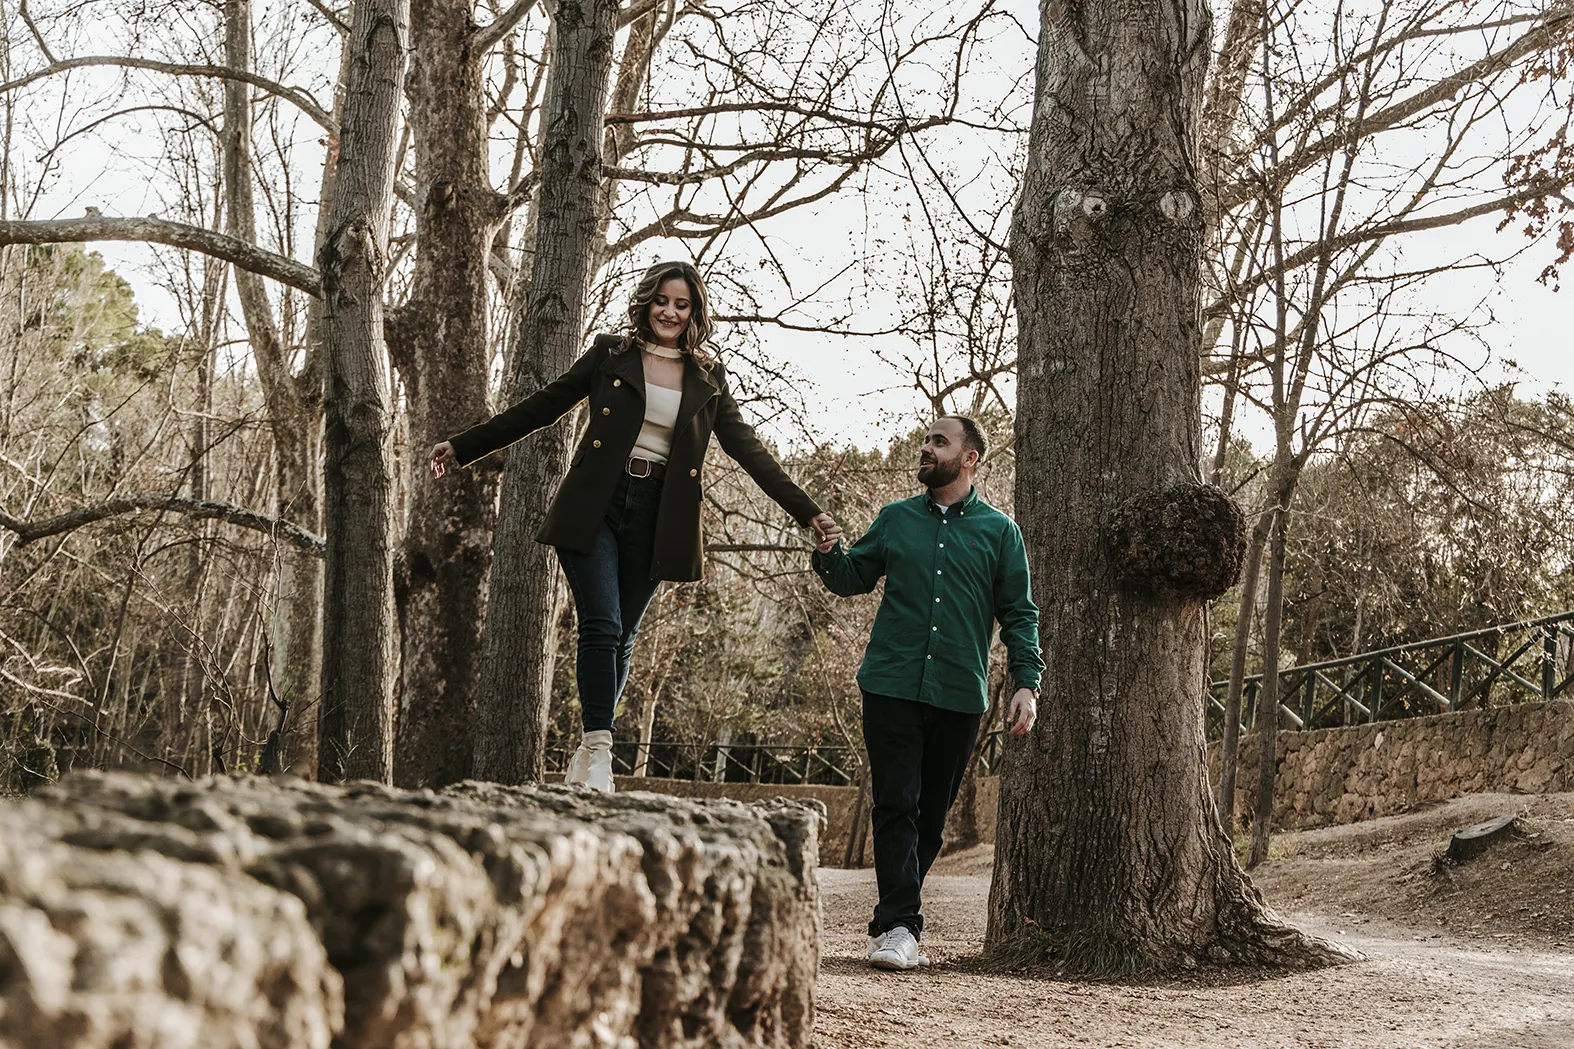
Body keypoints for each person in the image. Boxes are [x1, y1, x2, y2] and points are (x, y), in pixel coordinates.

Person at [430, 260, 838, 791]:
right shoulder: (612, 355)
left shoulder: (708, 377)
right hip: (597, 501)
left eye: (682, 304)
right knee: (601, 624)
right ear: (647, 303)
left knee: (621, 638)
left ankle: (586, 749)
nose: (670, 311)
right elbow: (543, 407)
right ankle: (601, 750)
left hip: (660, 513)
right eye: (662, 300)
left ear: (694, 313)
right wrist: (463, 446)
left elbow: (749, 452)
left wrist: (807, 511)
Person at [811, 416, 1042, 971]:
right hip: (890, 682)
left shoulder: (999, 532)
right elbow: (851, 578)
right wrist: (827, 550)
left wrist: (1027, 684)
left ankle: (892, 916)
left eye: (939, 441)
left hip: (958, 692)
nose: (926, 448)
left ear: (970, 459)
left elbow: (1019, 614)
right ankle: (900, 926)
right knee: (896, 804)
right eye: (924, 440)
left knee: (930, 817)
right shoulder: (894, 519)